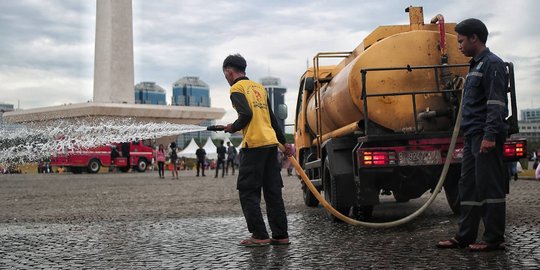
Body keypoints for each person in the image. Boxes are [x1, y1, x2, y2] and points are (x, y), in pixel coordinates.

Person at [436, 18, 509, 252]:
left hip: (484, 136)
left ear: (474, 38)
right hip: (471, 136)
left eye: (460, 41)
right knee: (468, 186)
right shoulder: (475, 66)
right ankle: (464, 236)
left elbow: (496, 103)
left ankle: (494, 238)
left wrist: (489, 135)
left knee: (489, 187)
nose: (458, 46)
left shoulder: (492, 64)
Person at [221, 54, 292, 247]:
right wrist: (284, 144)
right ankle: (280, 235)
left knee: (248, 191)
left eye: (225, 74)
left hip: (254, 145)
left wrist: (233, 127)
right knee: (272, 191)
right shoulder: (259, 88)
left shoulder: (237, 88)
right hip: (270, 144)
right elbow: (272, 120)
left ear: (229, 71)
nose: (226, 78)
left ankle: (259, 235)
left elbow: (246, 114)